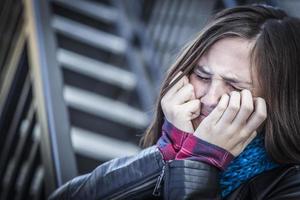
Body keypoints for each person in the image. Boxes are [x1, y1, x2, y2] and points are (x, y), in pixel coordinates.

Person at [49, 4, 300, 200]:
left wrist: (199, 165)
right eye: (202, 76)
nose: (209, 98)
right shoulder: (180, 144)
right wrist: (170, 153)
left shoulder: (290, 186)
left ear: (279, 102)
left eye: (234, 86)